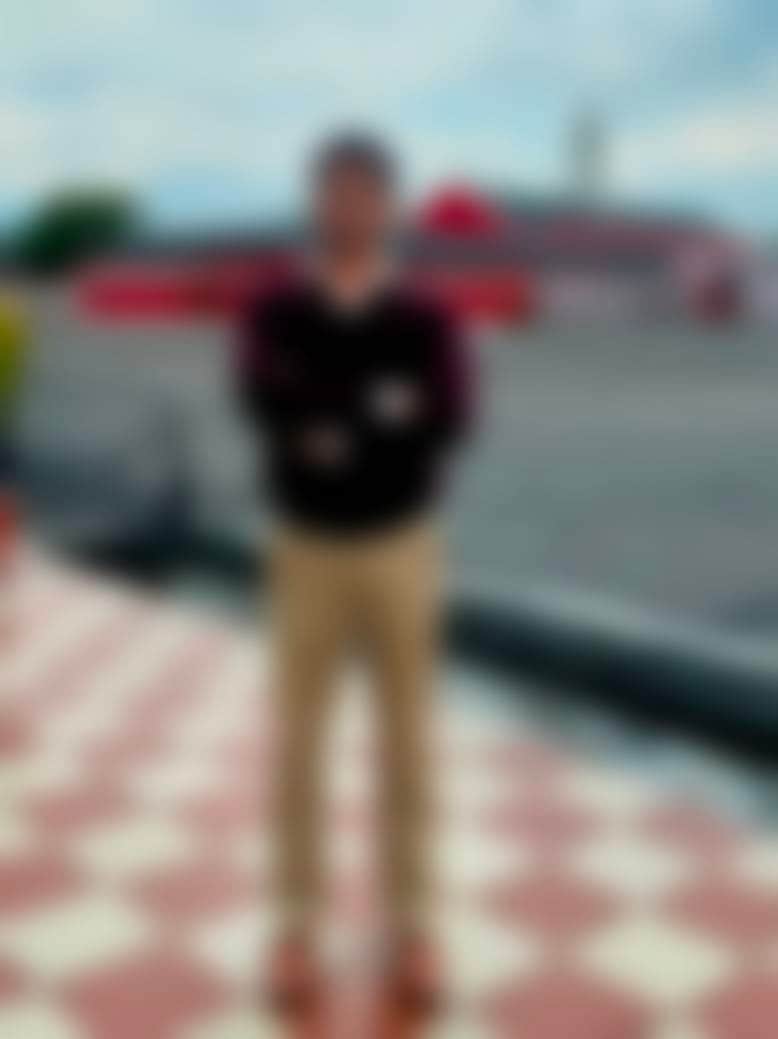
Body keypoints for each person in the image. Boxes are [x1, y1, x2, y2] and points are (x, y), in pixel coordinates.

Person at [235, 131, 474, 1014]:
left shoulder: (424, 314)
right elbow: (261, 396)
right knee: (299, 741)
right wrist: (380, 404)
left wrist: (329, 415)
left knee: (408, 741)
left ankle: (414, 924)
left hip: (402, 545)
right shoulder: (276, 308)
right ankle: (294, 925)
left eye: (364, 192)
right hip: (305, 549)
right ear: (315, 200)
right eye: (334, 190)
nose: (348, 207)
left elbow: (451, 412)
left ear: (388, 205)